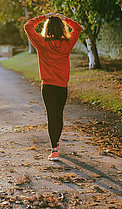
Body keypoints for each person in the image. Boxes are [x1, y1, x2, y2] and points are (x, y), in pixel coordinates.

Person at [24, 12, 82, 161]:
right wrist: (65, 19)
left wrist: (44, 16)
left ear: (47, 28)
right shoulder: (67, 44)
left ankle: (54, 149)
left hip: (48, 87)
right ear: (62, 29)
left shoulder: (41, 43)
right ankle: (56, 146)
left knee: (52, 116)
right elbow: (78, 28)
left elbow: (28, 26)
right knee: (59, 115)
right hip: (62, 87)